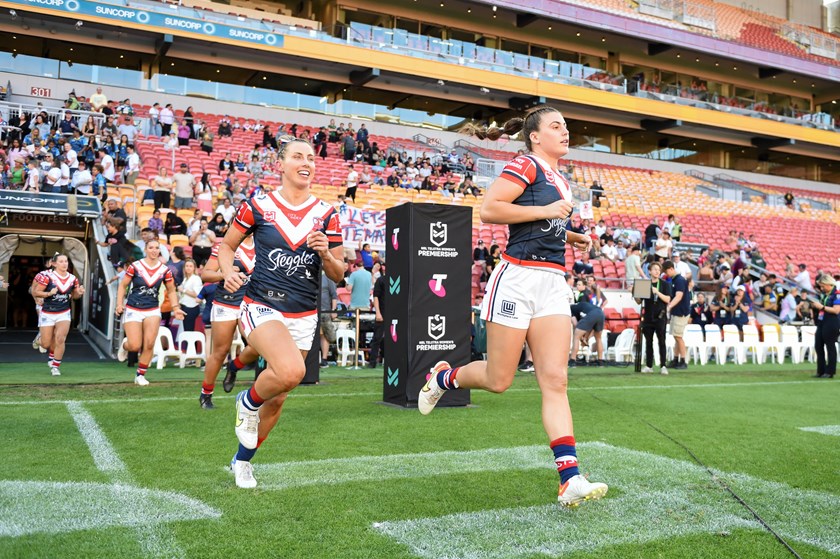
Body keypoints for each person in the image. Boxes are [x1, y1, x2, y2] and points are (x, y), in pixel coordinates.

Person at [416, 105, 608, 507]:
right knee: (499, 379)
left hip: (554, 281)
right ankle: (443, 379)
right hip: (517, 279)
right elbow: (490, 209)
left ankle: (570, 477)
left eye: (567, 126)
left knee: (555, 380)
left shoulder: (561, 179)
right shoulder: (526, 164)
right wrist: (546, 211)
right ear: (535, 136)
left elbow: (542, 224)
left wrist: (571, 238)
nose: (565, 131)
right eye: (557, 126)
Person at [218, 137, 345, 489]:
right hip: (262, 304)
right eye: (298, 156)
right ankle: (246, 400)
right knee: (291, 370)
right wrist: (228, 271)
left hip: (304, 314)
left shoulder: (327, 214)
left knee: (281, 396)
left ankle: (242, 462)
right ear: (281, 163)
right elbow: (227, 247)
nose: (307, 162)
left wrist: (327, 255)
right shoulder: (256, 206)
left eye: (311, 157)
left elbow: (339, 273)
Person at [198, 236, 259, 409]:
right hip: (226, 302)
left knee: (257, 345)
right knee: (220, 351)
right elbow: (206, 274)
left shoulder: (262, 243)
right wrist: (224, 273)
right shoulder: (225, 246)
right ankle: (205, 394)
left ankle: (233, 367)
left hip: (251, 303)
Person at [116, 240, 184, 385]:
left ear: (160, 251)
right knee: (134, 345)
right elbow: (123, 286)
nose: (154, 250)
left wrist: (176, 307)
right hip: (133, 308)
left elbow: (171, 290)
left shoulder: (164, 270)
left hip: (153, 309)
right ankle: (125, 346)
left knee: (149, 344)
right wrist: (119, 304)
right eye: (151, 247)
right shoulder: (136, 266)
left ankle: (140, 375)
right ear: (146, 249)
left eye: (157, 248)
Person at [31, 254, 85, 376]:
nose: (64, 263)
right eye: (61, 261)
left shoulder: (73, 278)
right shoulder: (47, 277)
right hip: (47, 312)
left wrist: (79, 293)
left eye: (66, 261)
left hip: (64, 312)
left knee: (60, 338)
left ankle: (55, 366)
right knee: (46, 343)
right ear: (54, 264)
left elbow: (75, 296)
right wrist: (49, 293)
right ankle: (39, 340)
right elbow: (36, 291)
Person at [637, 261, 671, 375]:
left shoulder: (665, 284)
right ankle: (649, 365)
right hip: (648, 316)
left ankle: (663, 365)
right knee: (648, 342)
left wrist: (657, 292)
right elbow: (638, 301)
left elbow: (667, 299)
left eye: (658, 269)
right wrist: (634, 293)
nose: (657, 271)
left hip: (660, 316)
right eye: (654, 269)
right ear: (650, 271)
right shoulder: (645, 284)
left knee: (662, 341)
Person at [811, 275, 840, 379]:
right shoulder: (823, 294)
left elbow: (836, 310)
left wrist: (822, 307)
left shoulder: (837, 295)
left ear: (829, 284)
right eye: (820, 286)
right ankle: (821, 370)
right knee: (818, 345)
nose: (821, 288)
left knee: (830, 346)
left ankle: (830, 371)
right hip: (822, 321)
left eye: (823, 286)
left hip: (832, 322)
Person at [664, 260, 690, 370]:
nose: (666, 274)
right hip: (677, 311)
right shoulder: (675, 280)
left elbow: (678, 296)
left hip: (681, 312)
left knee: (678, 336)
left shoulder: (679, 280)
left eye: (666, 271)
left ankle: (683, 360)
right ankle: (676, 359)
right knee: (676, 336)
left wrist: (669, 306)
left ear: (671, 268)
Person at [569, 299, 605, 366]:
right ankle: (600, 361)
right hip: (601, 313)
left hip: (592, 314)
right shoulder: (581, 305)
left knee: (576, 336)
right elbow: (590, 326)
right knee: (598, 339)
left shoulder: (570, 309)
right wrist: (585, 338)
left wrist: (581, 338)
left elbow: (575, 325)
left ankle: (572, 360)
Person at [319, 270, 339, 368]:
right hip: (312, 310)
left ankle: (324, 359)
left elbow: (334, 295)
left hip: (325, 311)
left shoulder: (328, 277)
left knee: (325, 336)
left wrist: (333, 310)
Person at [177, 259, 203, 333]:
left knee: (189, 331)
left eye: (190, 266)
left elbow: (197, 295)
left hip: (191, 307)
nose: (188, 268)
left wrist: (184, 290)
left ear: (194, 268)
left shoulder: (196, 278)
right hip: (184, 306)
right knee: (186, 330)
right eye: (187, 266)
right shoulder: (185, 279)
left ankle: (193, 344)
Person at [369, 269, 387, 368]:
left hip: (395, 314)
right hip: (382, 312)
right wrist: (378, 313)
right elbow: (376, 297)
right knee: (377, 338)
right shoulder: (381, 280)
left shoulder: (399, 280)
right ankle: (372, 362)